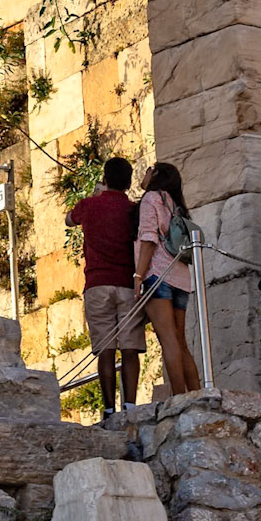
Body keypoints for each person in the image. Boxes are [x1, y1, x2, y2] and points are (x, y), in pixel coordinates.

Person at [68, 157, 144, 413]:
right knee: (131, 347)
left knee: (106, 349)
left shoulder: (88, 205)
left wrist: (97, 194)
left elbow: (69, 220)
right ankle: (131, 405)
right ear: (129, 181)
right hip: (127, 283)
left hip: (97, 283)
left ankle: (110, 408)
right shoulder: (133, 209)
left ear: (105, 178)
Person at [134, 162, 201, 396]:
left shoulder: (151, 199)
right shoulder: (176, 203)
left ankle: (180, 398)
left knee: (168, 339)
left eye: (148, 170)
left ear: (156, 175)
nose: (144, 173)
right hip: (181, 277)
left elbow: (149, 239)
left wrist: (138, 275)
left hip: (158, 274)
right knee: (181, 341)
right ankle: (196, 394)